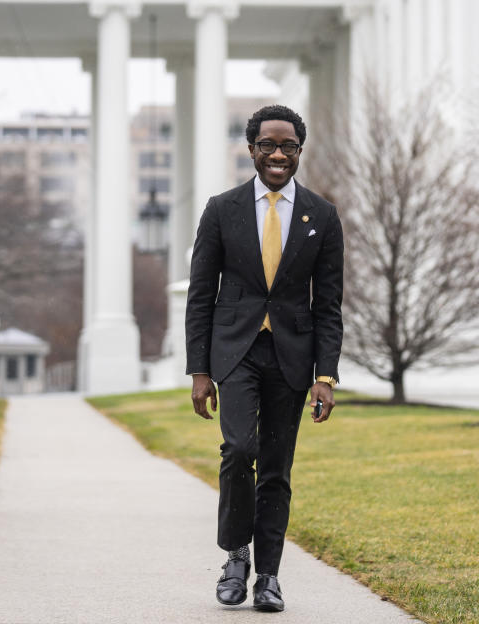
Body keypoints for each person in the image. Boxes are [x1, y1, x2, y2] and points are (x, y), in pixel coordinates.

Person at [185, 104, 343, 612]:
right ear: (251, 148)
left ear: (299, 152)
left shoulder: (322, 215)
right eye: (268, 145)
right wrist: (200, 371)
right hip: (236, 353)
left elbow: (329, 304)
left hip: (293, 358)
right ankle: (236, 555)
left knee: (276, 468)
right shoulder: (221, 210)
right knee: (238, 450)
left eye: (289, 147)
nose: (278, 154)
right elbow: (200, 295)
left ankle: (268, 576)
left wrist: (326, 375)